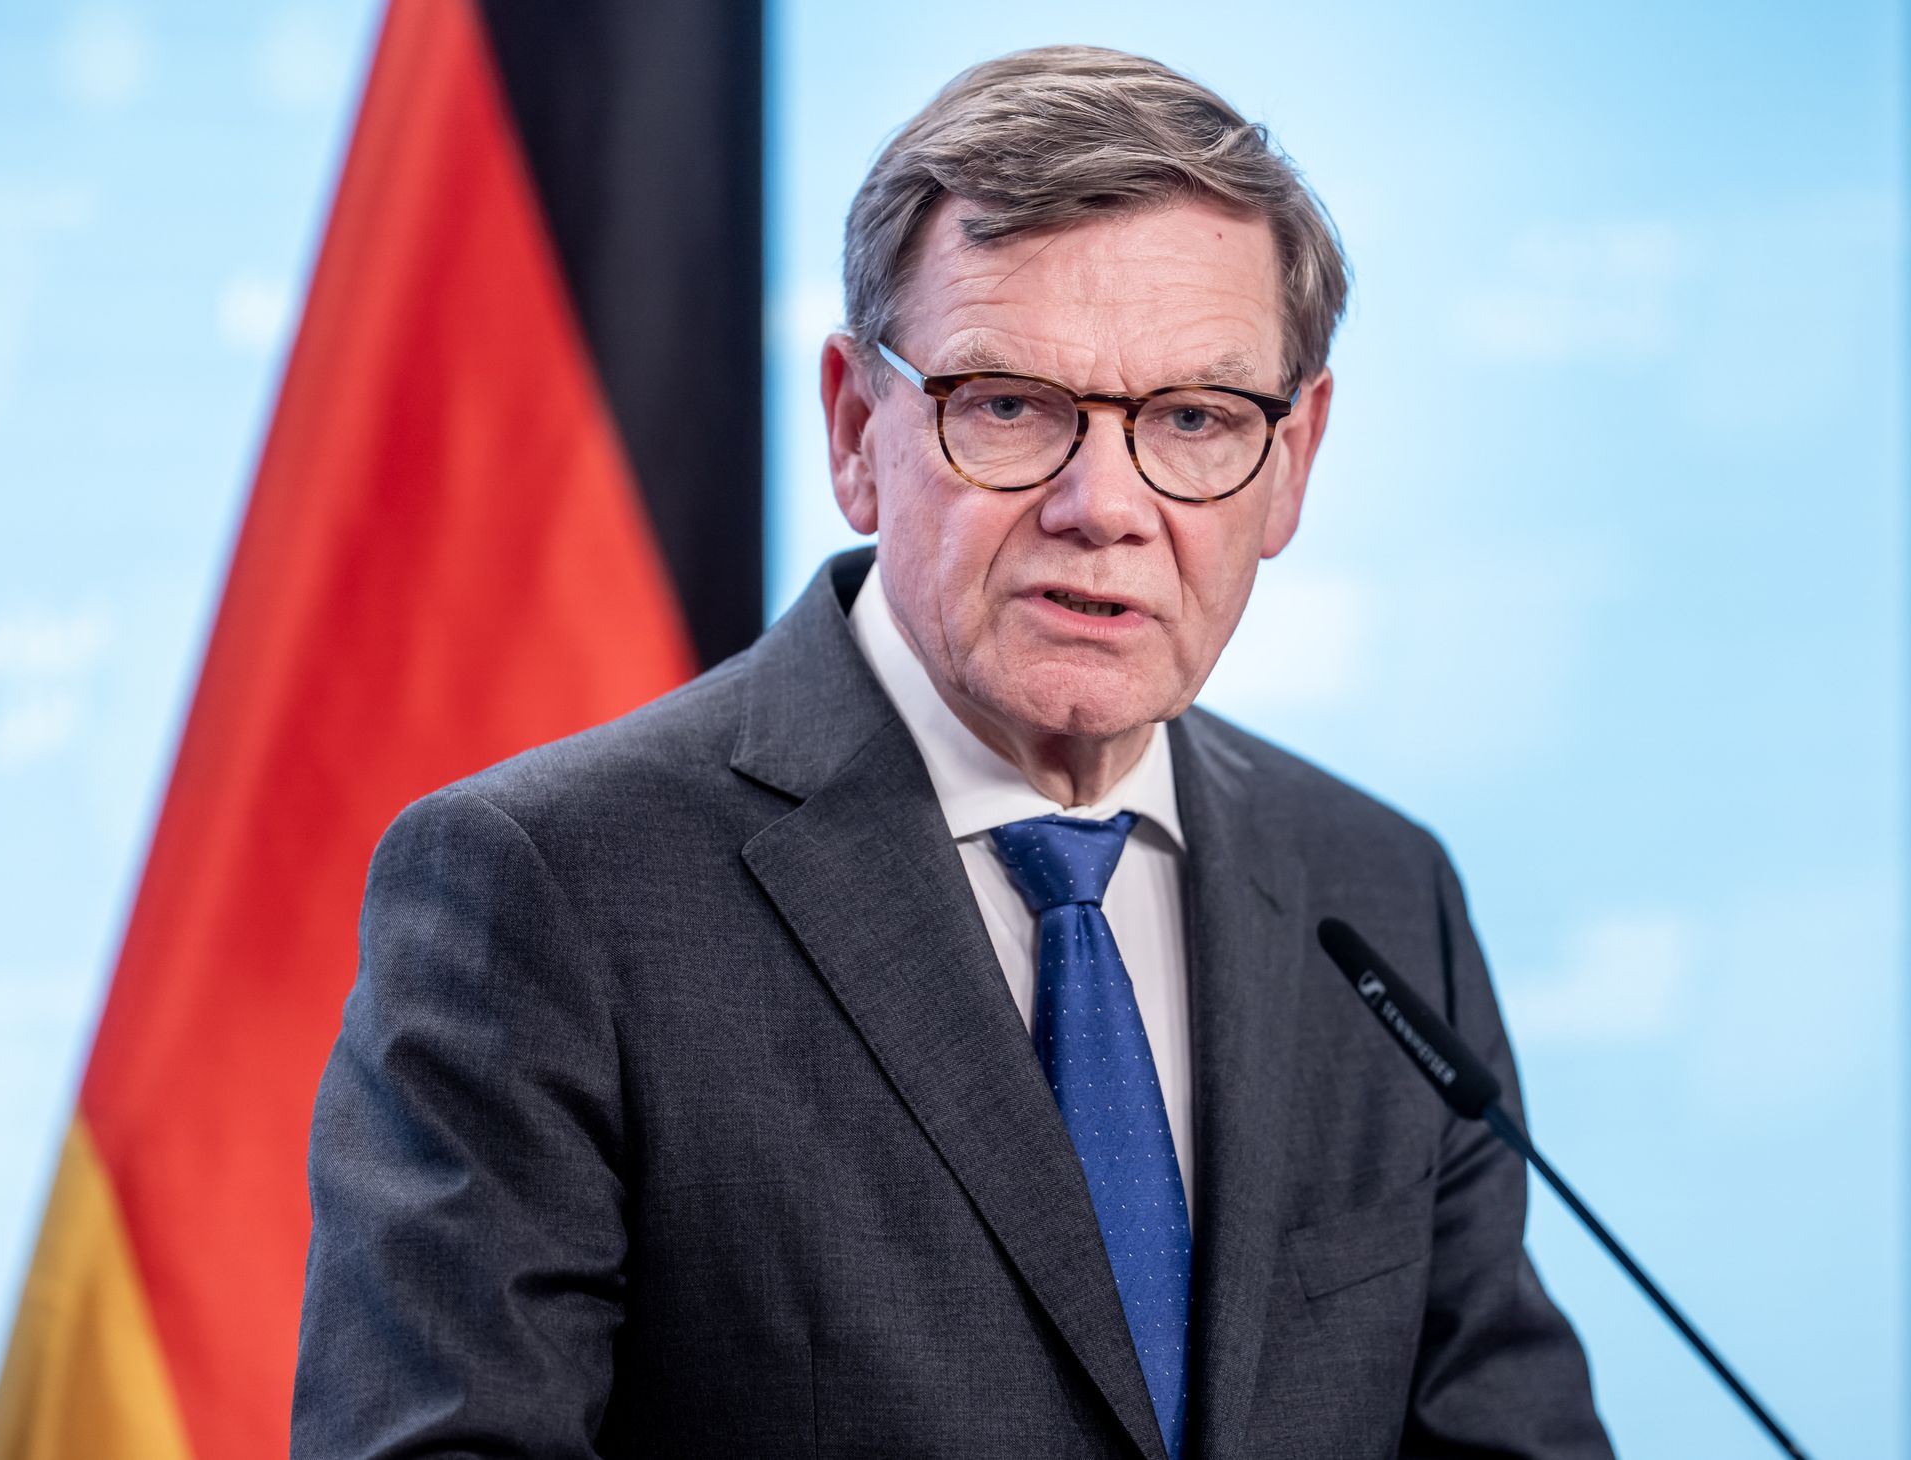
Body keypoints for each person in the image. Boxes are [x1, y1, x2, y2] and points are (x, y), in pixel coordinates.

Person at [292, 44, 1612, 1460]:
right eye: (1009, 405)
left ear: (1292, 463)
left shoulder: (1380, 888)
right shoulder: (551, 891)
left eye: (1194, 419)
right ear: (857, 429)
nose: (1104, 505)